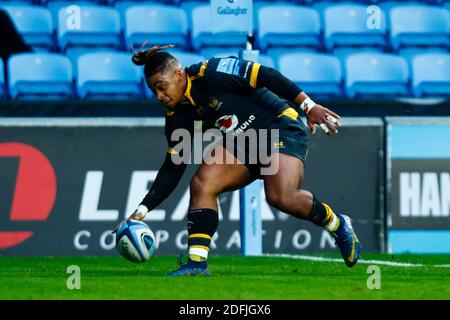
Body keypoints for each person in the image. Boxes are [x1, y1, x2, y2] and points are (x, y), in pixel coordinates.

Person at [114, 44, 361, 276]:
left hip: (278, 126)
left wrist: (308, 106)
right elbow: (174, 166)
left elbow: (266, 74)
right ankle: (197, 264)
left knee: (280, 196)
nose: (158, 95)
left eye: (161, 86)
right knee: (203, 183)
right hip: (243, 143)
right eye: (153, 90)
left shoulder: (211, 72)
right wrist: (142, 209)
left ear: (178, 75)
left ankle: (338, 224)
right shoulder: (178, 115)